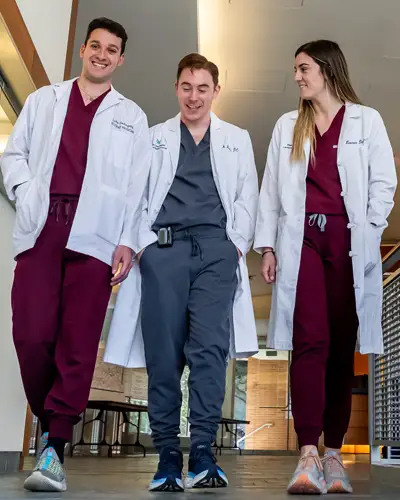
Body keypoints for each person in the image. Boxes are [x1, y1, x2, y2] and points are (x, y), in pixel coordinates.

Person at [0, 17, 150, 492]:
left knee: (79, 339)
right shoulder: (46, 100)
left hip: (97, 235)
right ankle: (50, 419)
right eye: (96, 46)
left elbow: (138, 188)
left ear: (120, 59)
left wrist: (128, 240)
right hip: (44, 224)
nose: (102, 55)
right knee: (31, 331)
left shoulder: (133, 116)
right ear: (82, 50)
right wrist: (26, 192)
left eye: (112, 50)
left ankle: (55, 447)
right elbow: (13, 155)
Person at [104, 53, 259, 492]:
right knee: (164, 353)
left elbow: (248, 194)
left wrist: (235, 246)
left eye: (202, 88)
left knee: (209, 349)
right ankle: (169, 454)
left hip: (215, 250)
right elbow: (136, 197)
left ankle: (205, 451)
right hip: (164, 251)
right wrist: (141, 248)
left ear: (215, 91)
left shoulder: (236, 138)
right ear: (176, 88)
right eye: (186, 87)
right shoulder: (153, 138)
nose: (194, 96)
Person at [254, 40, 397, 495]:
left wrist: (372, 227)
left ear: (328, 68)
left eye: (303, 68)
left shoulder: (366, 120)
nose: (297, 76)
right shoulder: (287, 126)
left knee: (339, 347)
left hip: (349, 241)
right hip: (303, 243)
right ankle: (309, 452)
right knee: (309, 341)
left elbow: (383, 181)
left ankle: (334, 455)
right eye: (296, 69)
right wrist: (270, 248)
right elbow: (271, 191)